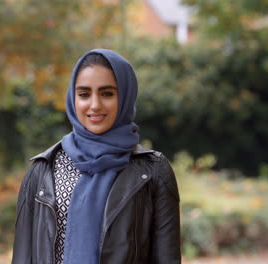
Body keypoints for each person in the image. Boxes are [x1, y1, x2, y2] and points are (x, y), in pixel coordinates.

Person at [11, 49, 181, 264]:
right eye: (84, 94)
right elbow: (24, 257)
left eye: (107, 93)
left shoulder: (152, 171)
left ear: (126, 96)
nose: (95, 105)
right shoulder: (43, 169)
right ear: (73, 99)